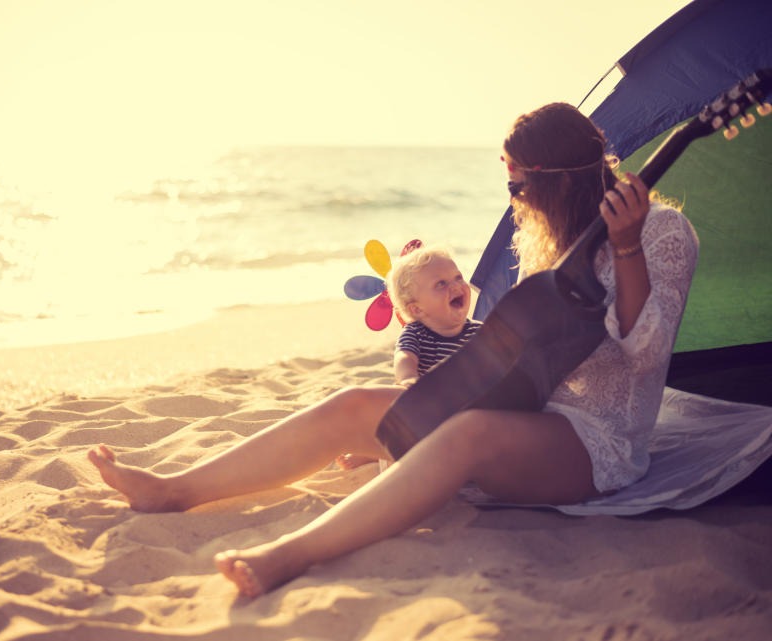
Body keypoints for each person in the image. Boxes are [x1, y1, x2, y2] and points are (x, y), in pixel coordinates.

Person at [88, 102, 699, 598]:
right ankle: (174, 490)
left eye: (517, 180)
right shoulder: (547, 233)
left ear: (554, 177)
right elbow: (525, 347)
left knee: (466, 435)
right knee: (357, 405)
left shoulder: (664, 234)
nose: (512, 196)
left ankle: (286, 557)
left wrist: (625, 247)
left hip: (598, 441)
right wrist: (427, 401)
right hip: (530, 412)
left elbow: (644, 355)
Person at [337, 246, 481, 470]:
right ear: (417, 309)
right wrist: (408, 379)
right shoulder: (417, 333)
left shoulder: (479, 332)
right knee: (401, 426)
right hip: (426, 405)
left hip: (464, 409)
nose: (455, 286)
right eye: (440, 284)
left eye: (458, 277)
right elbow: (404, 356)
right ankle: (373, 451)